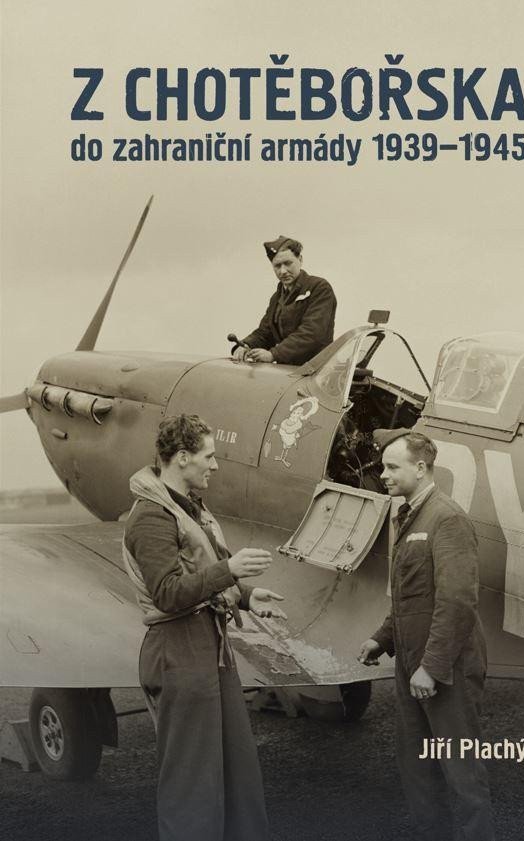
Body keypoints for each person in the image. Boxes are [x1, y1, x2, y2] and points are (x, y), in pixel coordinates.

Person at [122, 413, 286, 841]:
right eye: (208, 456)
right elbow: (168, 593)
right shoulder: (151, 517)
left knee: (237, 770)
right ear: (182, 457)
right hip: (178, 650)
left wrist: (246, 596)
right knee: (192, 783)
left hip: (208, 645)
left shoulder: (186, 507)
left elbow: (199, 572)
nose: (215, 465)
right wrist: (230, 571)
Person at [358, 429, 494, 841]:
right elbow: (411, 595)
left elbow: (457, 600)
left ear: (420, 468)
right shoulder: (409, 515)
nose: (383, 475)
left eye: (392, 467)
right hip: (412, 662)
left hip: (445, 668)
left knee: (461, 771)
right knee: (417, 766)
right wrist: (382, 639)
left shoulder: (446, 518)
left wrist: (432, 668)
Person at [233, 235, 336, 365]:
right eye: (277, 266)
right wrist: (245, 345)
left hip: (318, 369)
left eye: (288, 263)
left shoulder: (319, 288)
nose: (283, 271)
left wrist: (274, 354)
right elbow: (265, 332)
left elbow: (312, 333)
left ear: (300, 259)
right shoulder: (277, 297)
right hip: (287, 370)